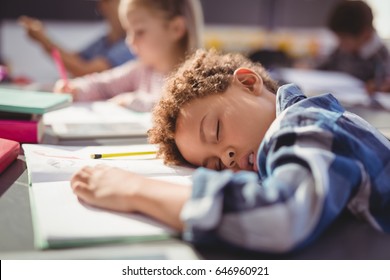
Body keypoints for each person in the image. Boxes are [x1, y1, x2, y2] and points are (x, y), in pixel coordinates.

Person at [70, 48, 390, 253]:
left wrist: (135, 189)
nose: (228, 159)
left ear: (249, 84)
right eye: (216, 166)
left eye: (217, 131)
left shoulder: (306, 122)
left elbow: (283, 214)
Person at [54, 0, 204, 112]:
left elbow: (179, 108)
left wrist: (134, 102)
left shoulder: (196, 78)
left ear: (176, 28)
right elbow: (102, 85)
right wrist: (76, 89)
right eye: (128, 32)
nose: (129, 41)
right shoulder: (142, 70)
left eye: (139, 32)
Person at [18, 0, 134, 77]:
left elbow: (85, 71)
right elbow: (74, 59)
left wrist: (43, 40)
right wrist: (42, 40)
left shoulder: (132, 43)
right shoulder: (103, 41)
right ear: (103, 5)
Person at [317, 0, 390, 94]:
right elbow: (322, 67)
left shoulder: (381, 57)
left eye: (344, 39)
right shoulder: (341, 50)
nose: (340, 43)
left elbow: (382, 84)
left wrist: (378, 86)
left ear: (365, 34)